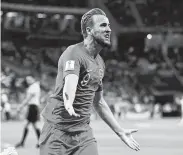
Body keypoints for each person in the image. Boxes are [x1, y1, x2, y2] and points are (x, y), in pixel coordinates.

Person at [40, 8, 140, 155]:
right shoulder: (73, 53)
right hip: (57, 130)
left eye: (109, 26)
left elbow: (99, 102)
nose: (109, 30)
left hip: (83, 134)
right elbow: (70, 82)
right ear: (89, 30)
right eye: (103, 25)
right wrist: (69, 101)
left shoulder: (100, 63)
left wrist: (120, 131)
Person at [15, 75, 41, 148]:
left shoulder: (34, 86)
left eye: (29, 79)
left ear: (33, 79)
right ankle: (23, 142)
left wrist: (20, 106)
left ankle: (23, 142)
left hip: (33, 107)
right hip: (32, 107)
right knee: (31, 125)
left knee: (32, 125)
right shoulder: (33, 86)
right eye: (27, 80)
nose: (28, 81)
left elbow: (28, 99)